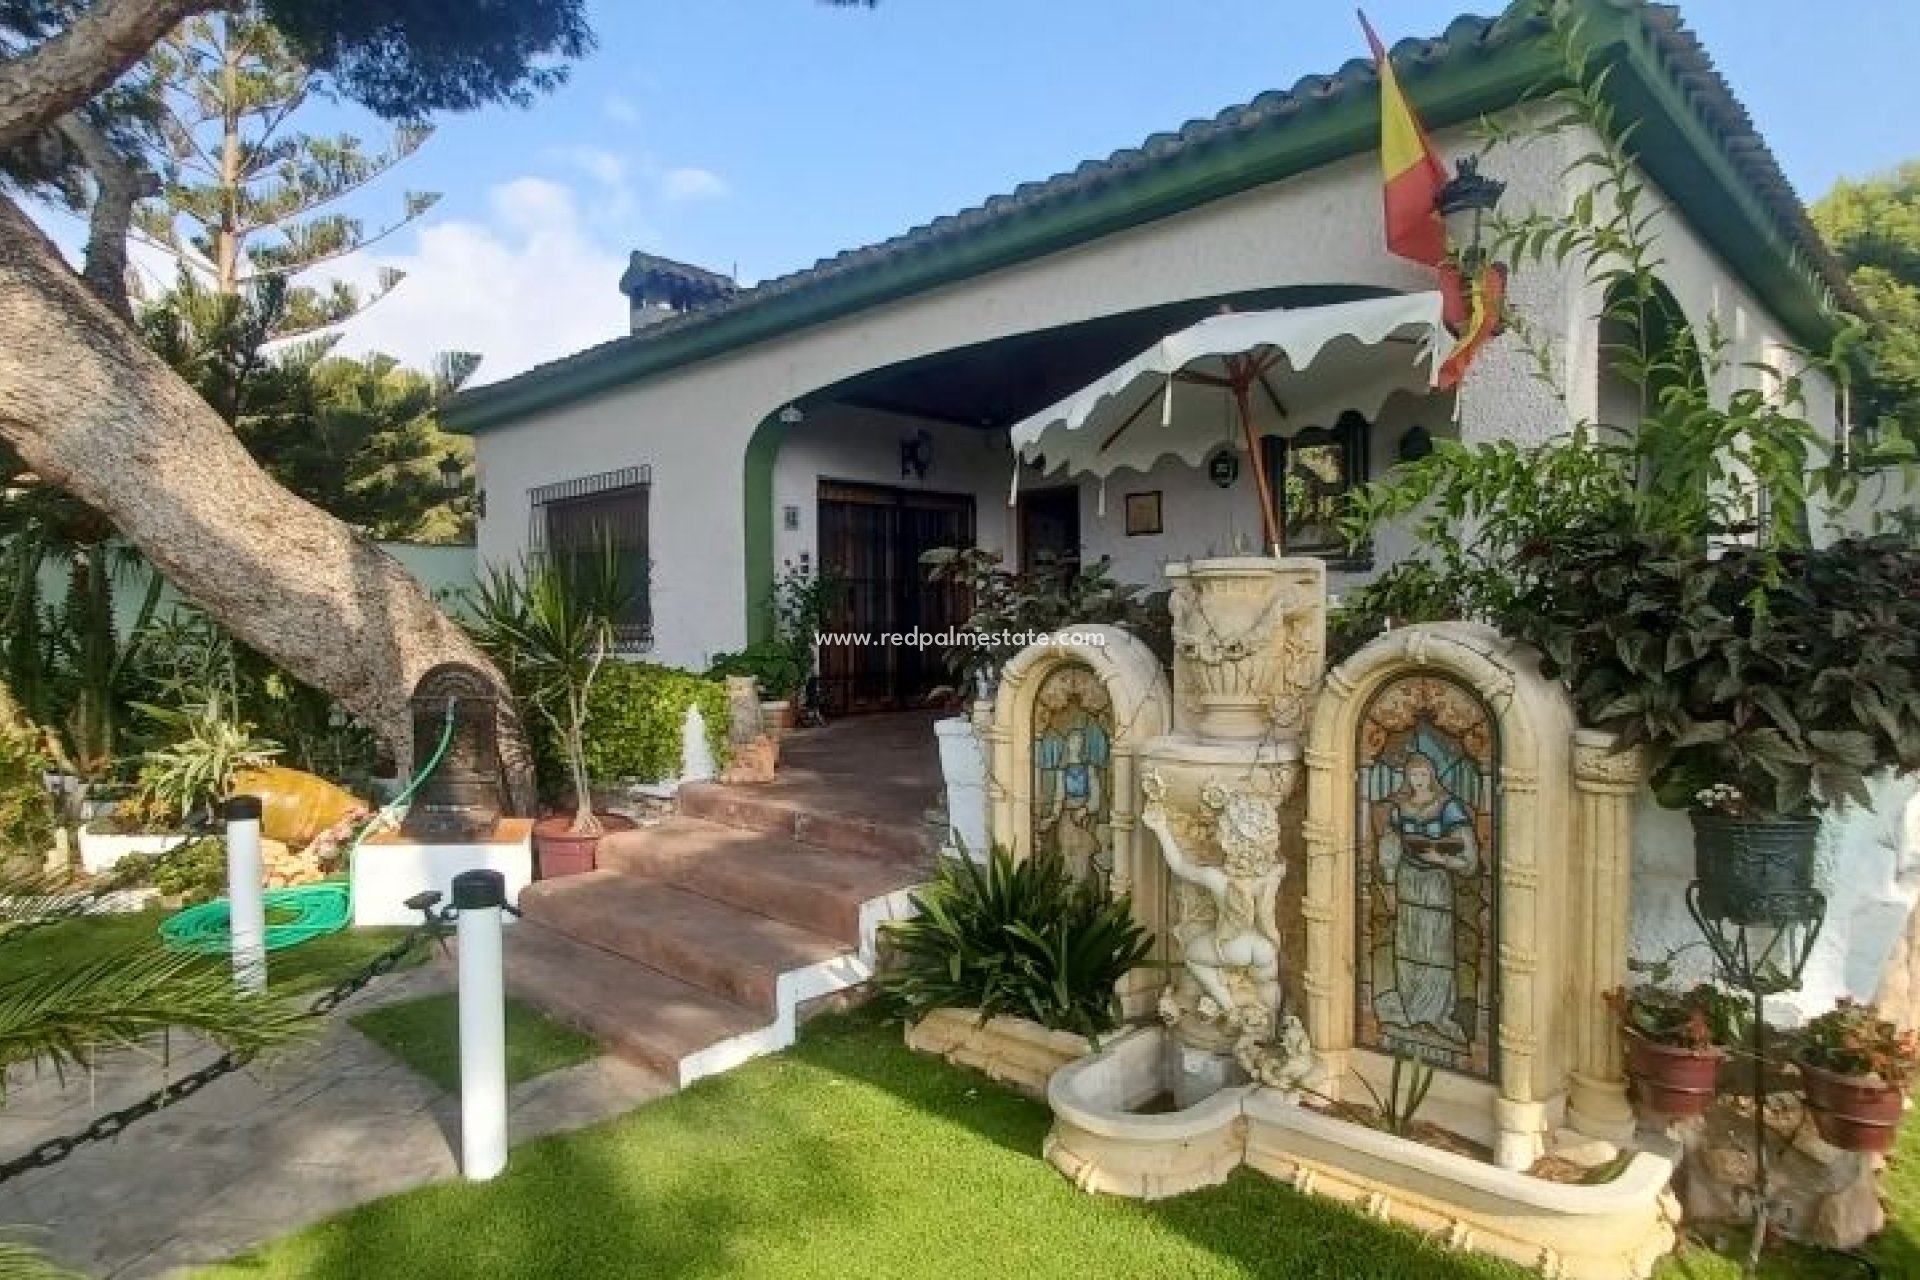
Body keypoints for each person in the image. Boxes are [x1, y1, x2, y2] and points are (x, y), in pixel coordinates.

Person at [1140, 784, 1285, 1030]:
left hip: (1234, 945)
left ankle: (1229, 1007)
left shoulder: (1217, 878)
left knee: (1192, 956)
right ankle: (1269, 1026)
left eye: (1222, 828)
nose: (1218, 832)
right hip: (1265, 946)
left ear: (1229, 841)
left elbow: (1179, 866)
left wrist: (1161, 828)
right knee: (1268, 984)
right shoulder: (1273, 873)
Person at [1372, 751, 1478, 1045]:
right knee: (1408, 942)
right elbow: (1390, 846)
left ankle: (1435, 1014)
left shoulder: (1448, 807)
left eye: (1422, 774)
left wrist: (1441, 858)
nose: (1417, 780)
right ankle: (1410, 1009)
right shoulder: (1401, 808)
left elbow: (1467, 850)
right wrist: (1390, 885)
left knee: (1435, 945)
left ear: (1432, 776)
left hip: (1435, 883)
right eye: (1412, 775)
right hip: (1407, 880)